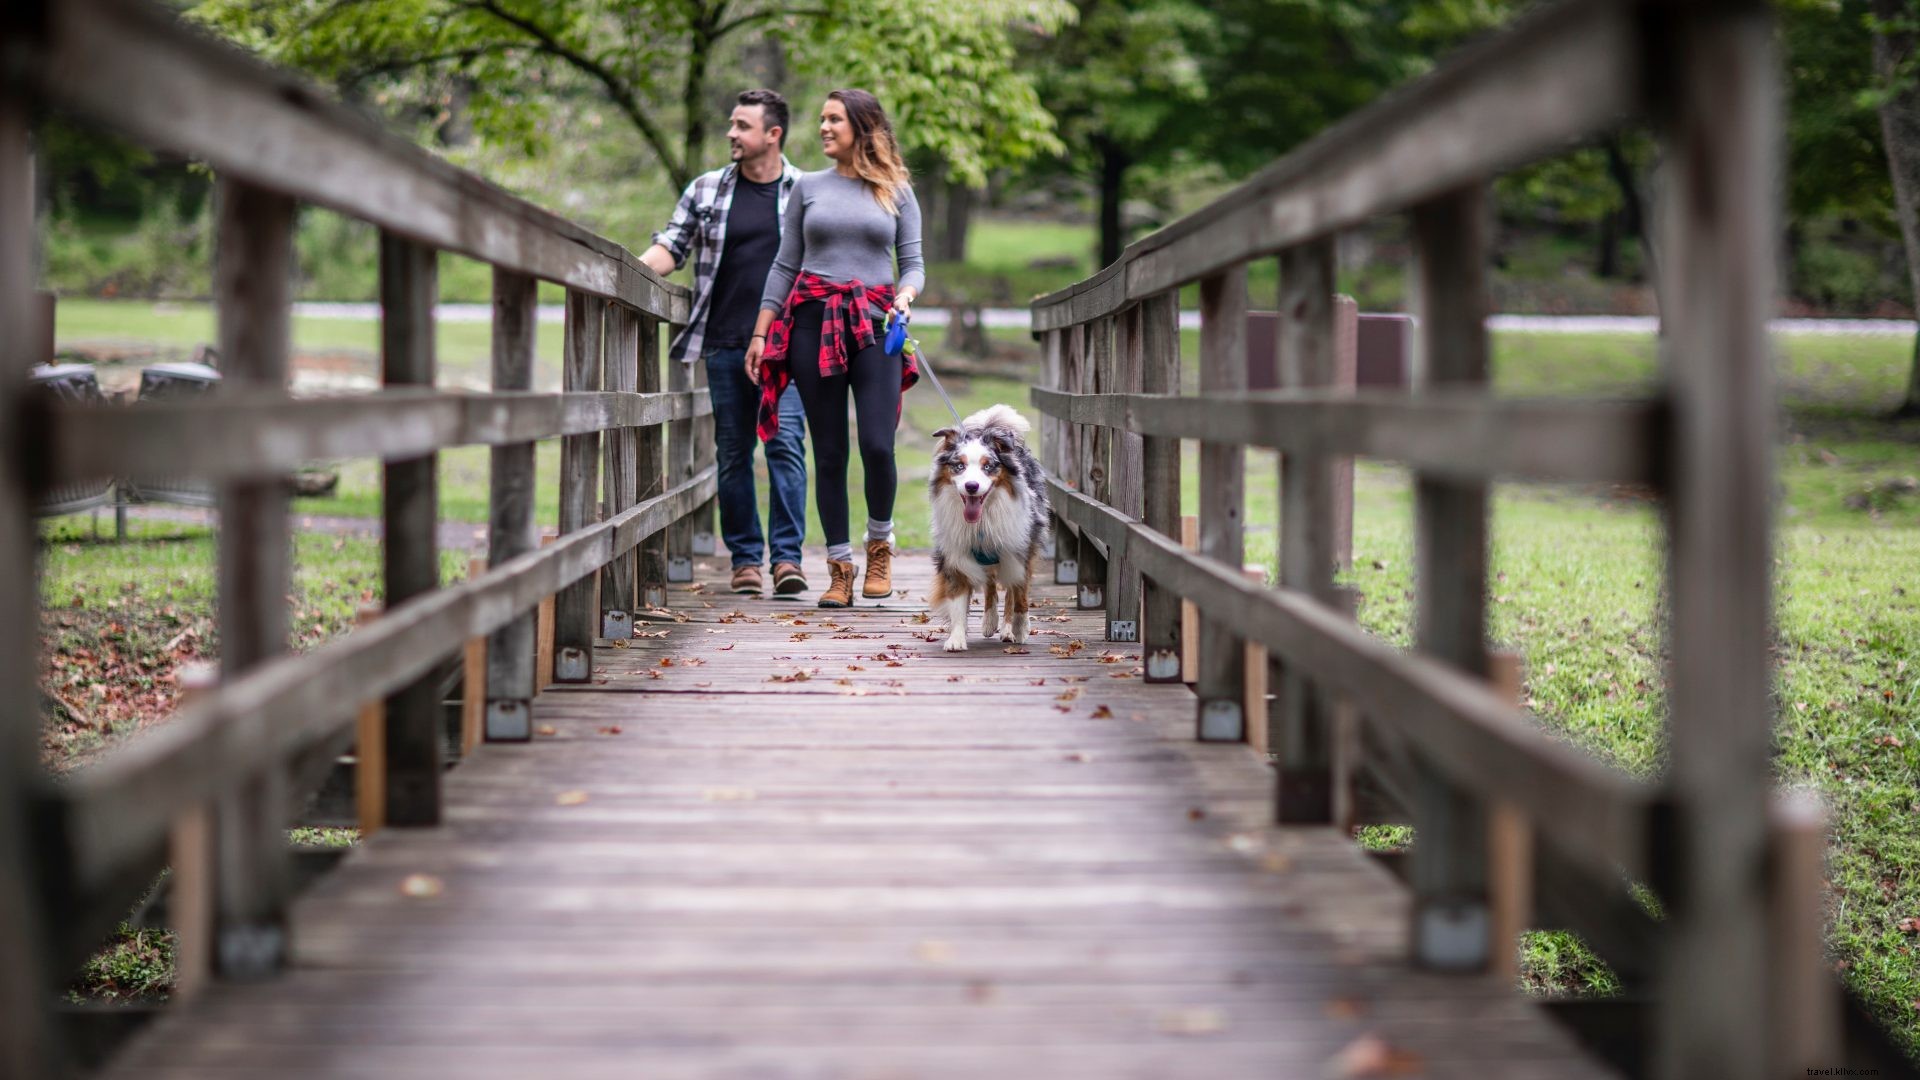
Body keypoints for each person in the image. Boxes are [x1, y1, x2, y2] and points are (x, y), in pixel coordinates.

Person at [747, 89, 924, 609]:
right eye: (821, 118)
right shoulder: (807, 187)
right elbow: (784, 265)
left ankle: (880, 545)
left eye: (833, 119)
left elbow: (912, 262)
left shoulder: (896, 188)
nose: (823, 127)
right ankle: (840, 567)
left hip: (876, 325)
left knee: (876, 443)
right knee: (828, 450)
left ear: (862, 126)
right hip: (811, 323)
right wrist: (761, 333)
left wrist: (905, 296)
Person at [641, 89, 810, 597]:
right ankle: (744, 560)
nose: (731, 134)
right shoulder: (707, 189)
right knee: (733, 452)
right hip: (723, 343)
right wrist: (625, 276)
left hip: (787, 347)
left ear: (772, 135)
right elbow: (673, 246)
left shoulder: (806, 190)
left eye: (742, 125)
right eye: (731, 125)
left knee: (785, 448)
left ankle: (786, 559)